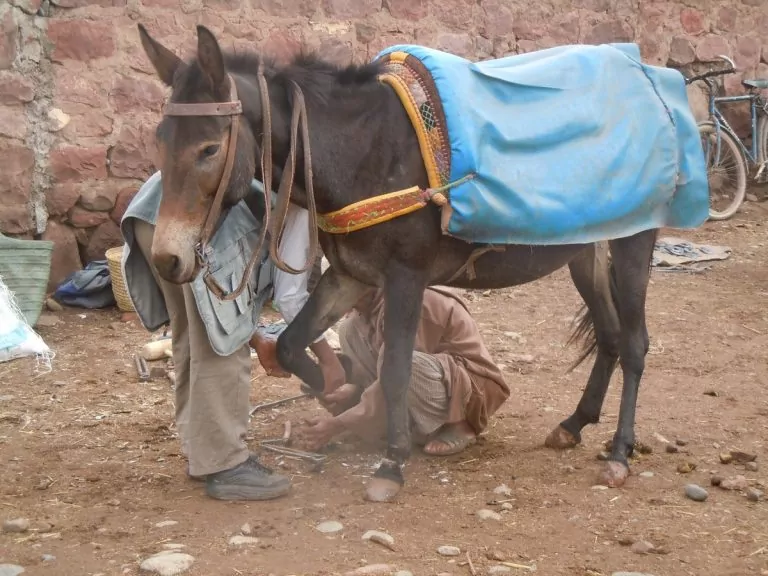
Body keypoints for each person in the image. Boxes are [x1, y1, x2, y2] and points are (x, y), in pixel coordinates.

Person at [120, 171, 344, 501]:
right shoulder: (309, 196)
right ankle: (225, 465)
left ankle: (203, 453)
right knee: (223, 346)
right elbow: (289, 297)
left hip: (156, 212)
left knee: (194, 336)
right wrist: (327, 359)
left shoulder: (304, 165)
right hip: (203, 222)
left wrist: (257, 338)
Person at [299, 286, 511, 456]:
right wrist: (353, 391)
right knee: (349, 329)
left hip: (470, 389)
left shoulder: (406, 303)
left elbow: (396, 372)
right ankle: (388, 416)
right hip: (424, 380)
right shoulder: (366, 308)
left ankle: (460, 425)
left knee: (404, 362)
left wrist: (339, 424)